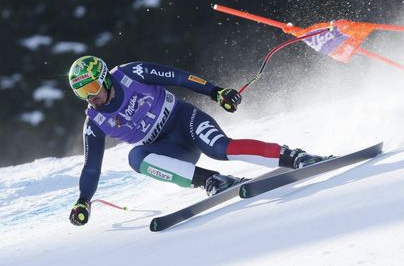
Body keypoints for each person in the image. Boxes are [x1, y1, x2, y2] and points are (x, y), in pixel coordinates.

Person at [68, 56, 329, 226]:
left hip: (183, 121)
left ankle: (292, 157)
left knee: (220, 148)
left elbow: (179, 77)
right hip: (168, 149)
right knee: (136, 158)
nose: (90, 98)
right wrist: (84, 200)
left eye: (91, 89)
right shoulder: (94, 121)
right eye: (81, 93)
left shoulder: (132, 73)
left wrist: (216, 92)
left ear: (104, 79)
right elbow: (91, 167)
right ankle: (212, 181)